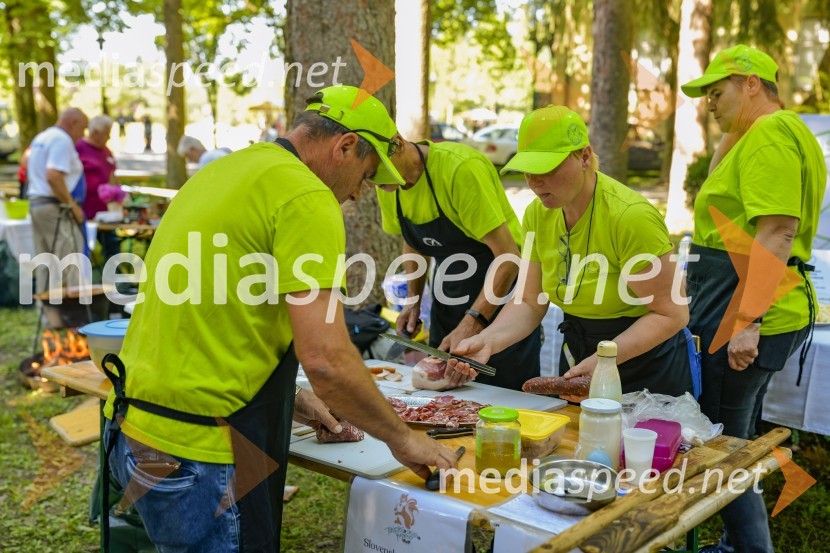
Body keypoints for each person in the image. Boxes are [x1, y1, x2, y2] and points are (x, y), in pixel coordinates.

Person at [102, 85, 457, 552]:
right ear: (345, 146)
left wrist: (296, 396)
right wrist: (404, 440)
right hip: (203, 451)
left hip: (137, 430)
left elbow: (214, 310)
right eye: (365, 176)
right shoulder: (307, 197)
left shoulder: (225, 171)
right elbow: (326, 357)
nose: (357, 193)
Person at [681, 44, 826, 553]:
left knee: (724, 449)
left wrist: (747, 321)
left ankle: (748, 548)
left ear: (751, 84)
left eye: (716, 93)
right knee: (735, 439)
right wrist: (730, 129)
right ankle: (735, 543)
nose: (709, 104)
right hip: (735, 300)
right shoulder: (767, 133)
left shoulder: (768, 134)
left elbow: (778, 231)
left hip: (740, 309)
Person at [447, 106, 693, 400]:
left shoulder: (629, 217)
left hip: (646, 365)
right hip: (581, 356)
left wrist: (605, 360)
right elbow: (528, 301)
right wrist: (488, 340)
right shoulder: (538, 214)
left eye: (547, 169)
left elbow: (672, 313)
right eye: (527, 170)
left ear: (585, 156)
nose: (534, 182)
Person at [367, 131, 542, 391]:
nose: (373, 182)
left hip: (503, 309)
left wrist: (473, 322)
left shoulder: (460, 170)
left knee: (503, 405)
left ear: (398, 145)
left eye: (376, 172)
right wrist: (413, 302)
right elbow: (413, 243)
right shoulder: (388, 184)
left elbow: (508, 258)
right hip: (449, 301)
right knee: (447, 405)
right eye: (368, 175)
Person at [27, 108, 89, 293]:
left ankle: (49, 317)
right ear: (73, 123)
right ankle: (73, 315)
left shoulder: (42, 137)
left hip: (38, 204)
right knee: (70, 261)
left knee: (46, 261)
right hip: (54, 207)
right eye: (82, 129)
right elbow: (53, 175)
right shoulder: (62, 140)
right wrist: (71, 205)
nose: (82, 135)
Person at [77, 115, 122, 260]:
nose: (108, 137)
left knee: (112, 246)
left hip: (106, 212)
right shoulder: (79, 148)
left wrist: (117, 191)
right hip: (85, 210)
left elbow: (112, 173)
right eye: (106, 133)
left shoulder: (105, 150)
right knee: (83, 250)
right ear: (95, 132)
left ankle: (114, 277)